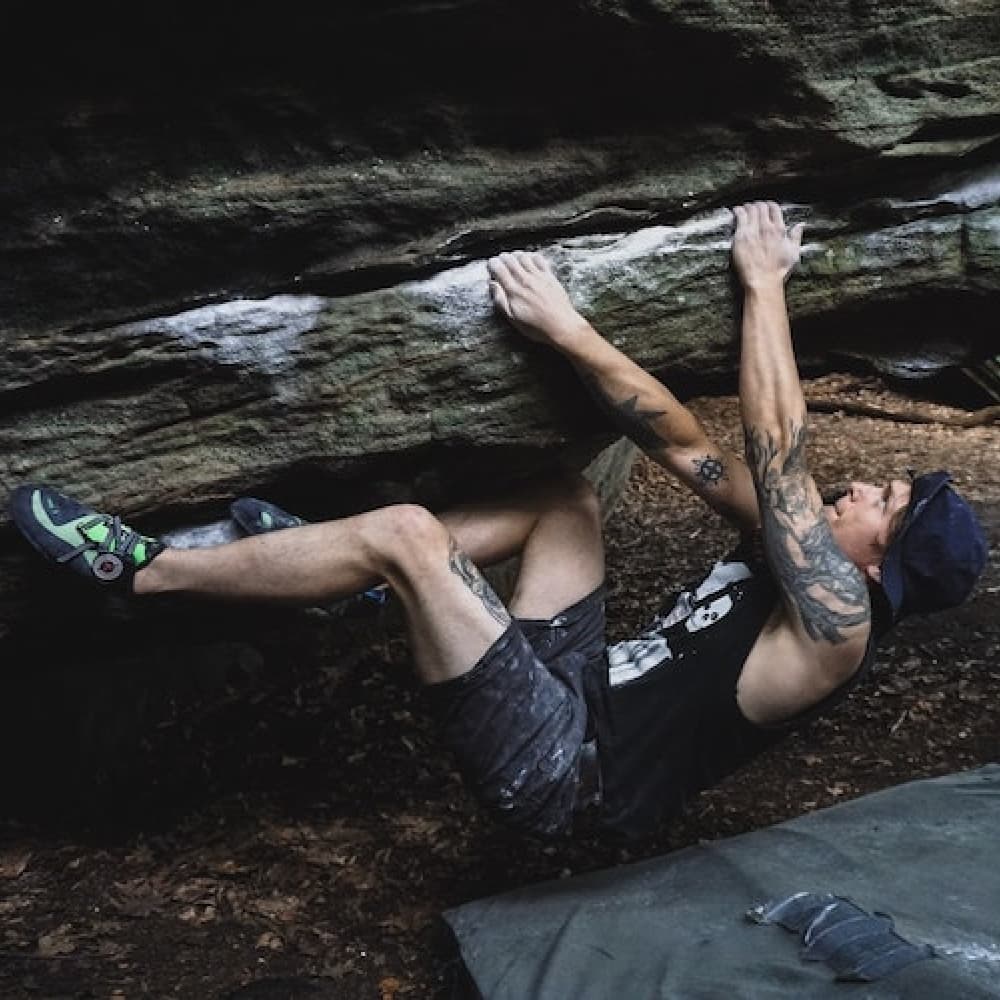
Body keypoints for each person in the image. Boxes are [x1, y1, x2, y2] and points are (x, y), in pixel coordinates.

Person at [9, 203, 988, 840]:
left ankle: (141, 573)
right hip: (575, 689)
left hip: (565, 783)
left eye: (884, 503)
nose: (862, 489)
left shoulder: (836, 630)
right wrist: (567, 330)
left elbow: (779, 452)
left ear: (872, 567)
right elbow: (678, 438)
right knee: (563, 500)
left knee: (402, 532)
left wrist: (765, 284)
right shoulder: (800, 553)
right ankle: (338, 581)